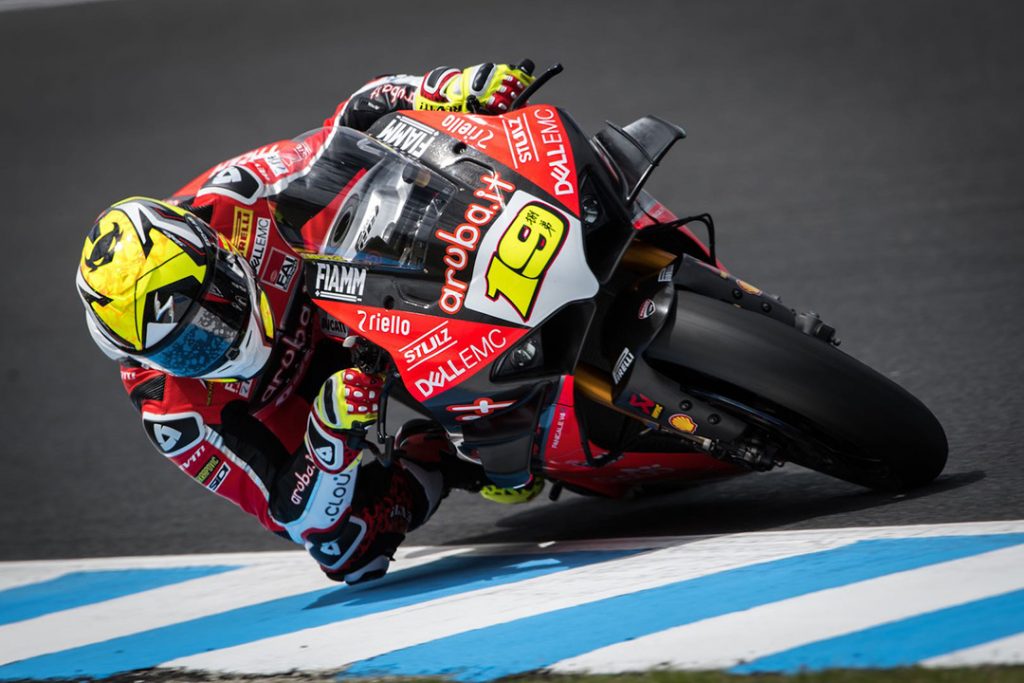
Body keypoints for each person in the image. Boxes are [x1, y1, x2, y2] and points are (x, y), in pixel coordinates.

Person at [75, 63, 535, 585]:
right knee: (347, 549)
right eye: (185, 348)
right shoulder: (173, 416)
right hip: (301, 406)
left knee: (419, 166)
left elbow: (352, 122)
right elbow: (286, 512)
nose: (215, 339)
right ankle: (440, 458)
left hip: (340, 294)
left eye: (212, 308)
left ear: (218, 256)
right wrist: (327, 439)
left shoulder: (236, 197)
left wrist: (445, 90)